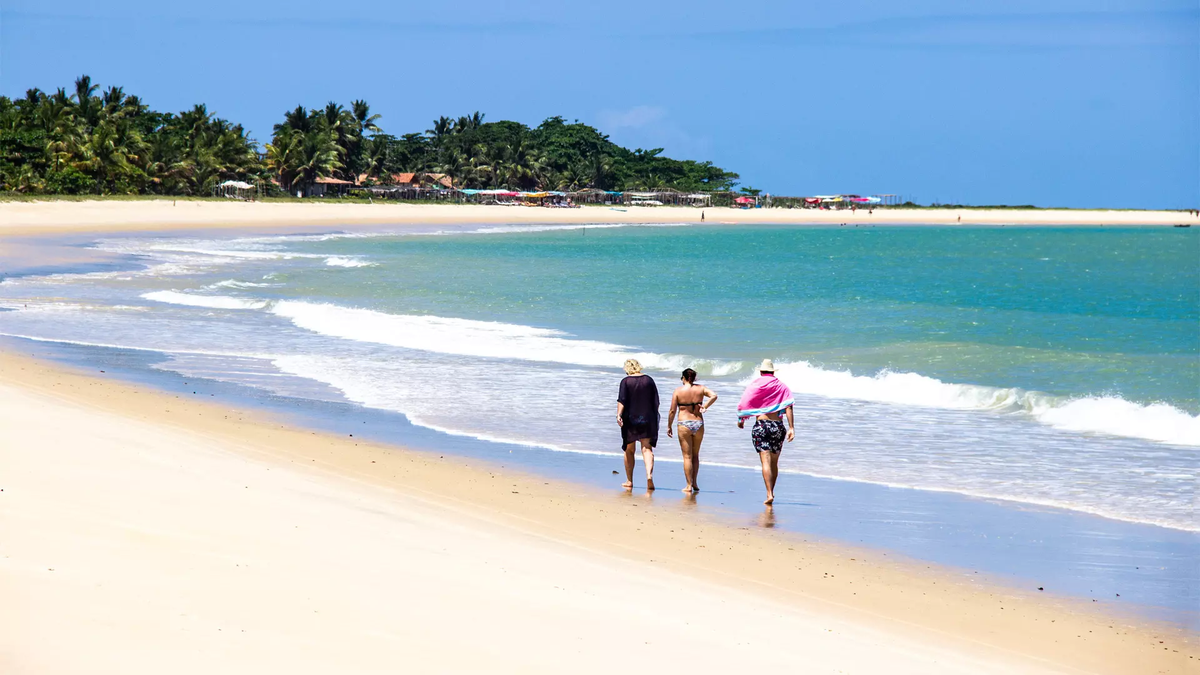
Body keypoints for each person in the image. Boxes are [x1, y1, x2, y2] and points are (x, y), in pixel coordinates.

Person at [736, 359, 795, 505]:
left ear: (761, 372)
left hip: (761, 426)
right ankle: (772, 492)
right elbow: (788, 406)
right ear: (773, 372)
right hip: (778, 426)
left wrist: (741, 419)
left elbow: (745, 401)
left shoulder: (755, 384)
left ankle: (768, 493)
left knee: (765, 462)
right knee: (774, 462)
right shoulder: (781, 386)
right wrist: (791, 427)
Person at [666, 368, 718, 493]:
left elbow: (672, 411)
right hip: (698, 423)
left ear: (683, 378)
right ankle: (695, 482)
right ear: (694, 378)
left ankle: (688, 485)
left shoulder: (678, 391)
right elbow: (714, 395)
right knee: (695, 455)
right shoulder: (701, 388)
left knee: (687, 456)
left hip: (684, 423)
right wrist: (705, 406)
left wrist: (669, 425)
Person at [616, 359, 660, 490]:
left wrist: (618, 415)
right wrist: (654, 415)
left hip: (630, 419)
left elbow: (622, 400)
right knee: (647, 449)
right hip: (647, 418)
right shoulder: (649, 380)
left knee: (629, 450)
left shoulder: (626, 381)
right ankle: (649, 476)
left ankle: (629, 481)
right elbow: (656, 401)